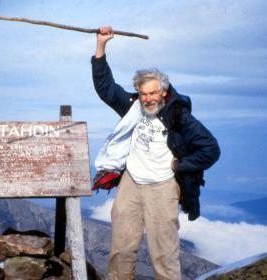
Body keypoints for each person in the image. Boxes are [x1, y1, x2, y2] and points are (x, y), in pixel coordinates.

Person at [91, 26, 220, 280]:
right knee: (121, 251)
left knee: (163, 255)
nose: (148, 99)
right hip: (131, 183)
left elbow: (211, 149)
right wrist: (100, 47)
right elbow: (105, 88)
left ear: (163, 92)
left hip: (163, 187)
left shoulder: (178, 115)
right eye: (143, 93)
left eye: (152, 93)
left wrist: (179, 166)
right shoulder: (132, 107)